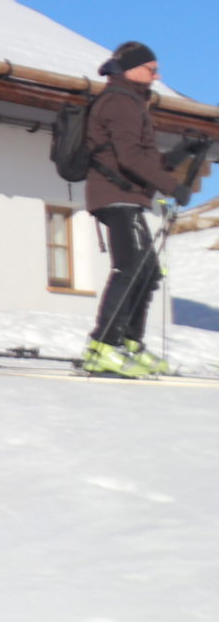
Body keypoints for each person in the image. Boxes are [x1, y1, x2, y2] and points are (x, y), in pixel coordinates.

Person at [80, 41, 190, 378]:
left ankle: (129, 343)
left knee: (148, 272)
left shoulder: (130, 101)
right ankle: (103, 346)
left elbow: (136, 156)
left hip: (127, 196)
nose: (157, 75)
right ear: (130, 69)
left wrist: (178, 155)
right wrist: (173, 187)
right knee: (129, 269)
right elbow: (129, 158)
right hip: (116, 196)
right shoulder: (119, 101)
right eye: (151, 69)